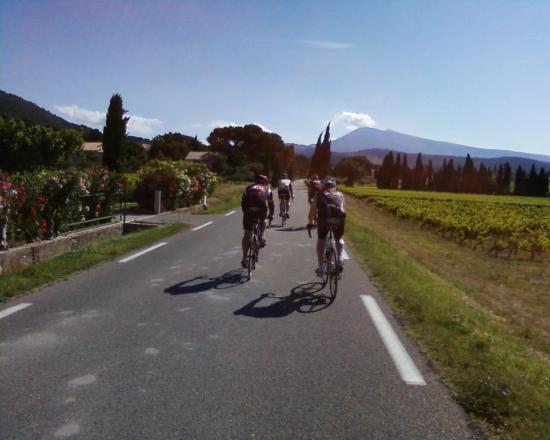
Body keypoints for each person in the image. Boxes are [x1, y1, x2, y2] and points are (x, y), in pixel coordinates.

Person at [241, 174, 274, 268]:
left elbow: (243, 203)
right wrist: (271, 214)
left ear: (255, 181)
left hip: (249, 211)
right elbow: (271, 204)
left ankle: (244, 258)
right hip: (261, 209)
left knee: (247, 234)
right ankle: (261, 236)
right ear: (265, 182)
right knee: (263, 219)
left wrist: (246, 214)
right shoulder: (268, 189)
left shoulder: (248, 188)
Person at [315, 177, 346, 276]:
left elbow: (312, 212)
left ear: (323, 186)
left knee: (321, 240)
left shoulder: (319, 195)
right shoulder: (340, 194)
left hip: (324, 221)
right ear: (334, 186)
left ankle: (320, 268)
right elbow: (342, 209)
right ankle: (340, 258)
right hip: (339, 220)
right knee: (339, 238)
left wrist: (310, 222)